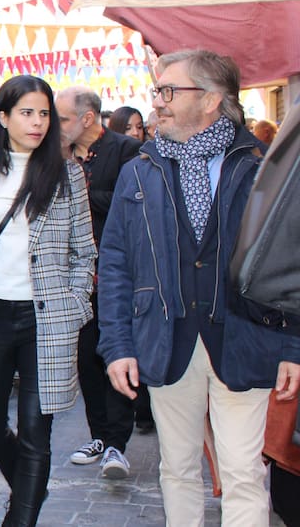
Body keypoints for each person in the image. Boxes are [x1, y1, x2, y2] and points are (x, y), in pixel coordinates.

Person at [99, 49, 300, 526]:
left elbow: (291, 260)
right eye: (158, 91)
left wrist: (293, 345)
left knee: (243, 473)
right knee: (177, 469)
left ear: (211, 99)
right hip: (165, 338)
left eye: (169, 91)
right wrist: (117, 345)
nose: (158, 102)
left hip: (246, 337)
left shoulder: (260, 167)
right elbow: (116, 263)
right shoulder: (139, 170)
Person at [0, 75, 96, 527]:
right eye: (26, 113)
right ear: (3, 117)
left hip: (48, 317)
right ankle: (29, 489)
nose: (37, 122)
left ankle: (20, 517)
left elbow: (84, 251)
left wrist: (74, 306)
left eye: (44, 114)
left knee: (37, 433)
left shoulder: (66, 174)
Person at [54, 86, 141, 479]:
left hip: (116, 275)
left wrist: (80, 192)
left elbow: (130, 201)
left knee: (115, 356)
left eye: (62, 118)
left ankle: (118, 444)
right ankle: (100, 436)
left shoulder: (125, 150)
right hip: (76, 278)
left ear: (87, 118)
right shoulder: (58, 155)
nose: (54, 125)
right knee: (87, 361)